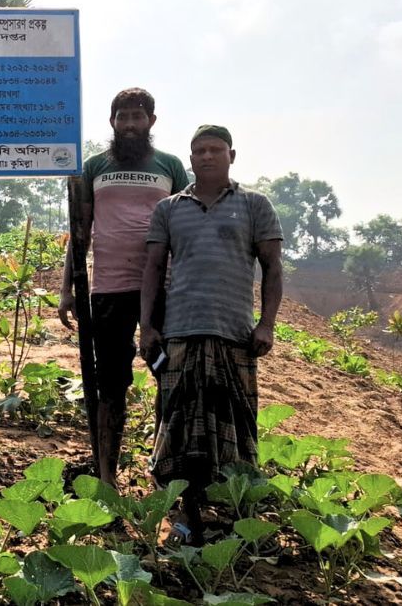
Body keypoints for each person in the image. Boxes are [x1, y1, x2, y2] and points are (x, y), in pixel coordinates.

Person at [139, 124, 283, 544]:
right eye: (198, 150)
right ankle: (185, 514)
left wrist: (267, 324)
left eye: (215, 150)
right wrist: (147, 326)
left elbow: (272, 268)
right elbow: (153, 269)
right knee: (178, 426)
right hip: (180, 333)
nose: (206, 157)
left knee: (234, 426)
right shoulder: (169, 208)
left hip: (234, 335)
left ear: (231, 155)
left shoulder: (255, 205)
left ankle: (233, 515)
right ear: (190, 158)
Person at [58, 88, 190, 487]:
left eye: (137, 116)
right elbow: (80, 233)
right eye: (122, 117)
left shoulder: (170, 166)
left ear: (151, 121)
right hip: (108, 291)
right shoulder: (95, 166)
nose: (130, 124)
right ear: (112, 121)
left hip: (164, 289)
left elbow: (186, 227)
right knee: (109, 384)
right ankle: (106, 475)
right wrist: (67, 289)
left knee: (168, 379)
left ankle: (162, 468)